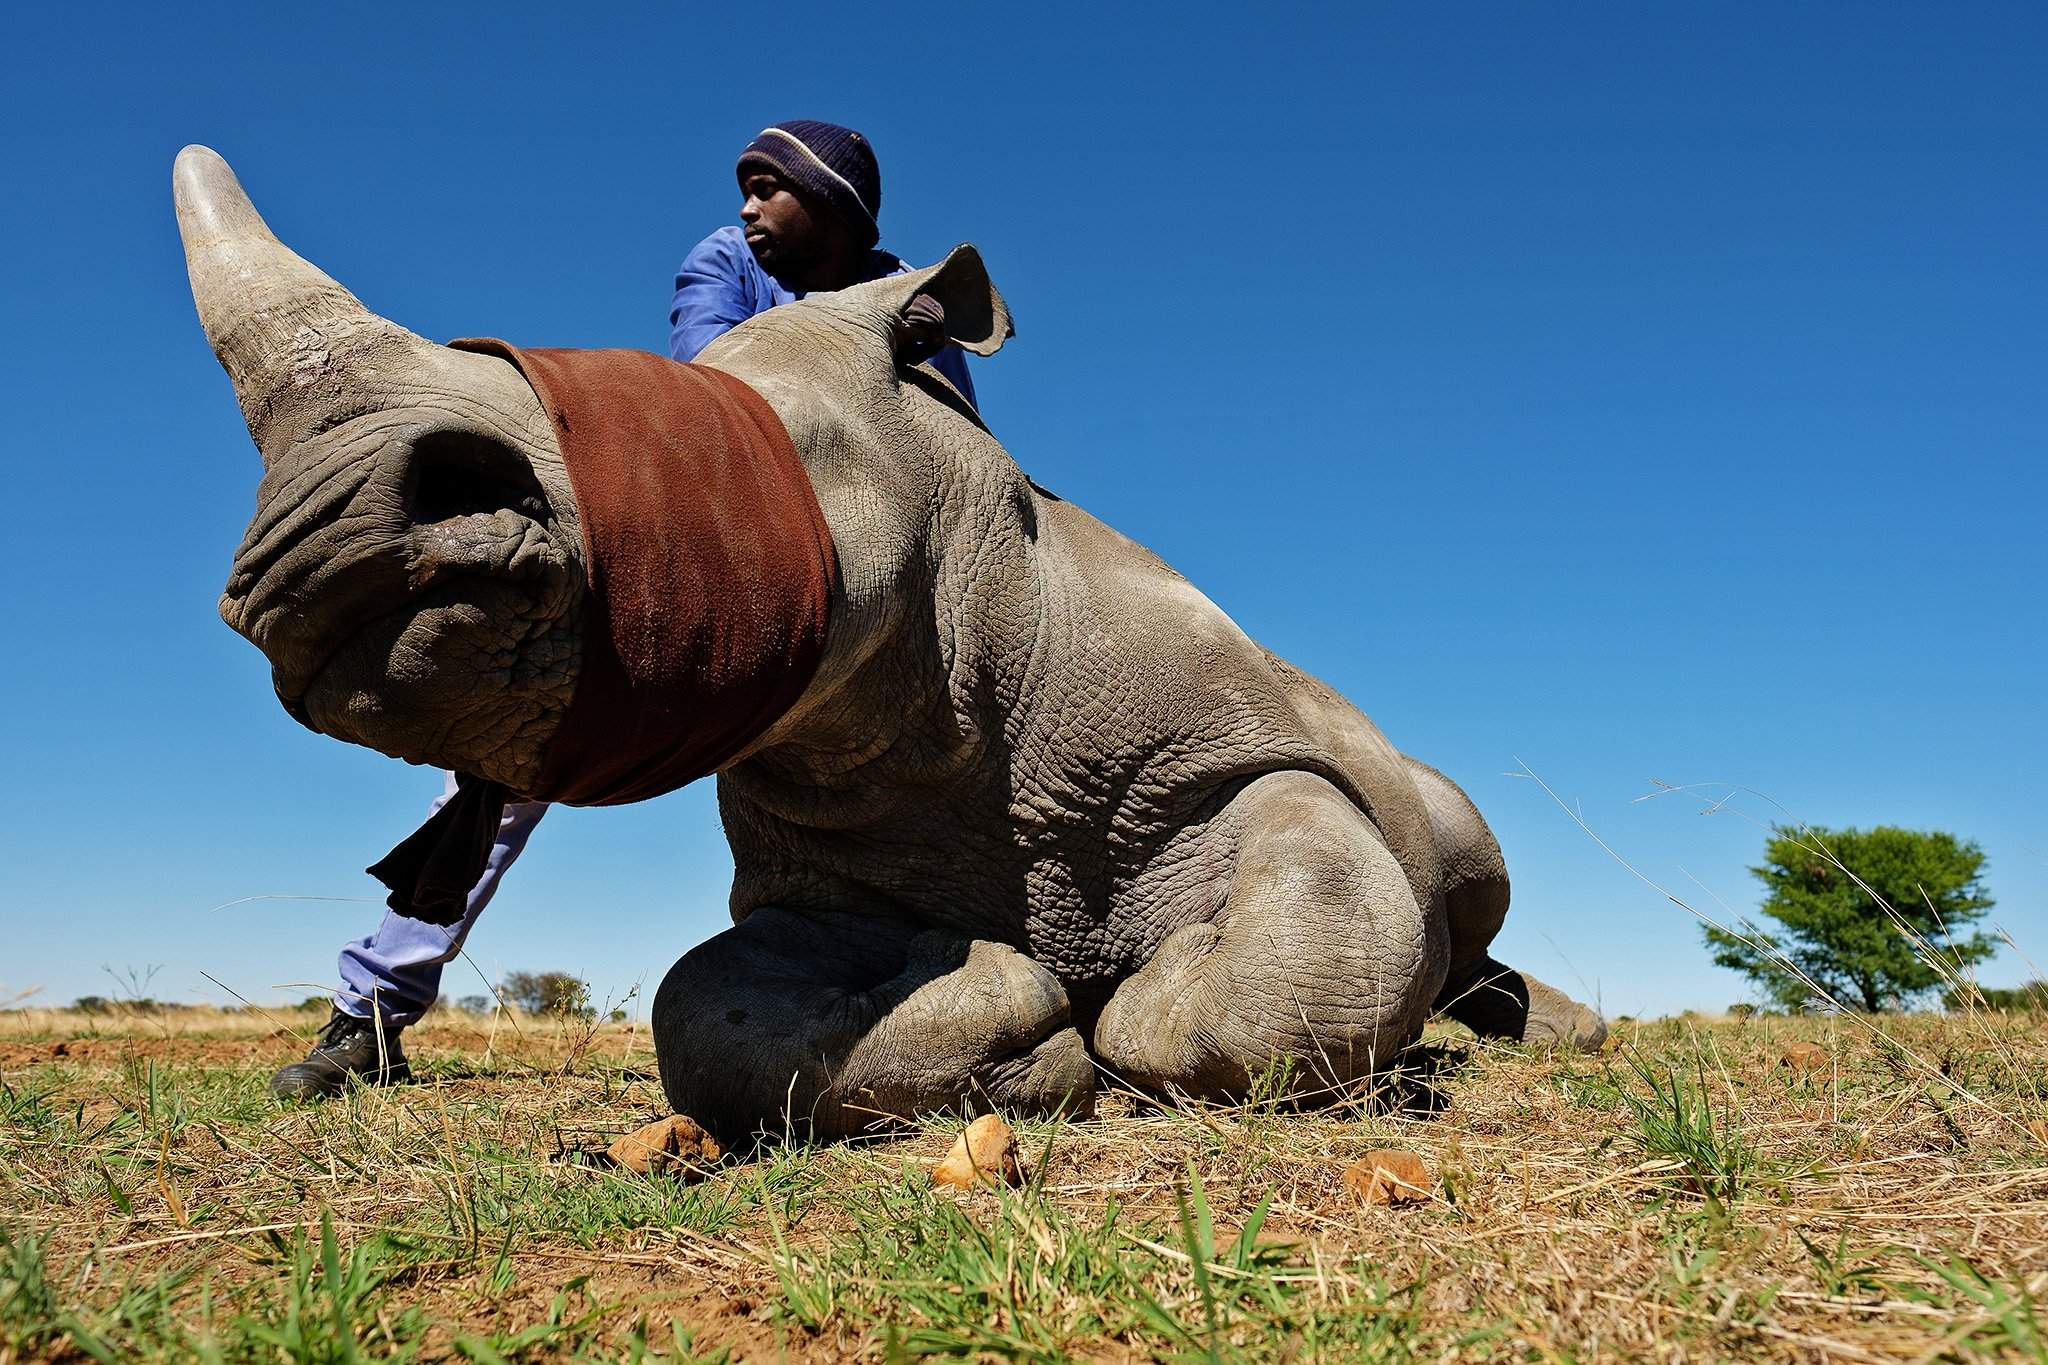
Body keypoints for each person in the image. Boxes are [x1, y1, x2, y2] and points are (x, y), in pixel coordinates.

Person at [270, 119, 975, 1098]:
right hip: (727, 551)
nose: (745, 205)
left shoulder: (911, 292)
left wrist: (927, 357)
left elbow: (958, 462)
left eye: (770, 185)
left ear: (833, 204)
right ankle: (369, 1015)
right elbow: (725, 386)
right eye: (745, 185)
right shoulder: (724, 263)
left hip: (871, 595)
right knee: (512, 758)